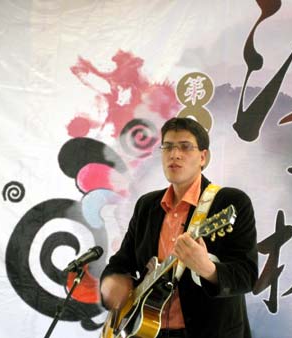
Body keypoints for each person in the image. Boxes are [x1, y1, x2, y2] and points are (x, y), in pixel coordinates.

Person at [100, 117, 258, 338]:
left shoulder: (231, 202)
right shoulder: (147, 205)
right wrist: (111, 282)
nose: (174, 154)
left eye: (185, 147)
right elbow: (121, 262)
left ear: (203, 157)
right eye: (168, 147)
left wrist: (208, 269)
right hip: (147, 332)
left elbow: (248, 276)